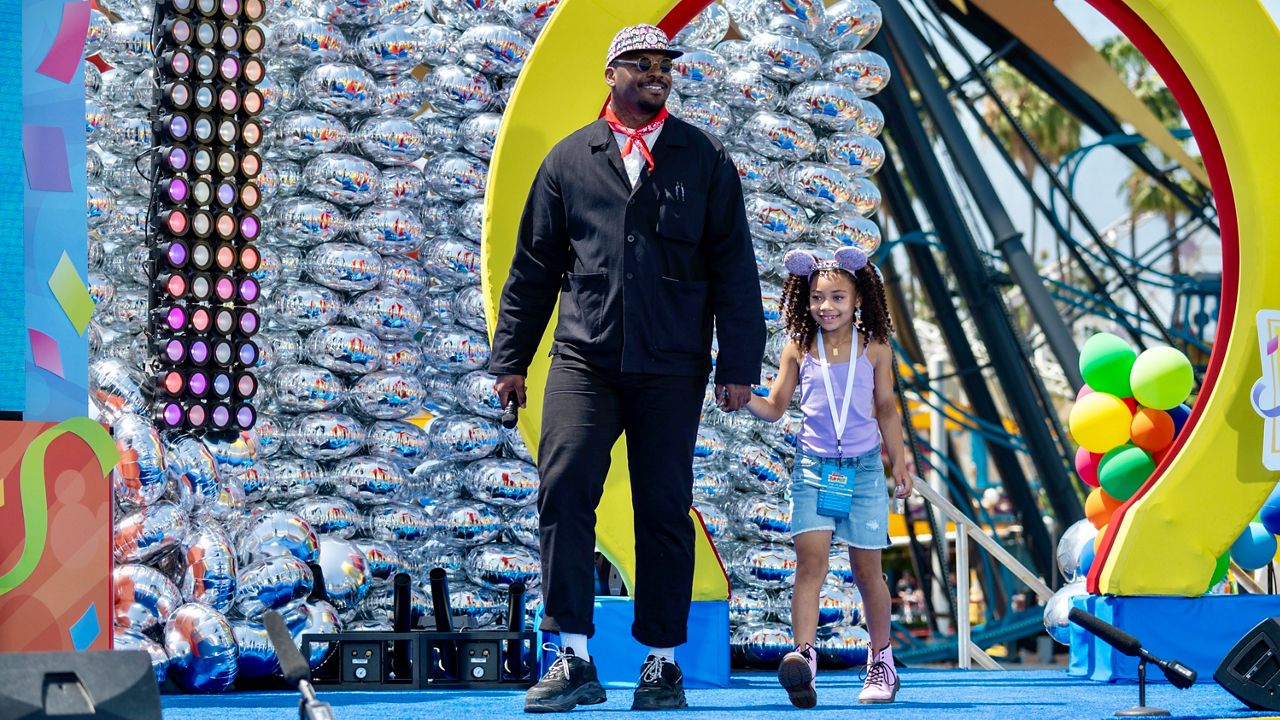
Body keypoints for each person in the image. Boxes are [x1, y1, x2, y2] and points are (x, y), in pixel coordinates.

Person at [488, 23, 766, 714]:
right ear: (610, 73)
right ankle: (573, 656)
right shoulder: (567, 162)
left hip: (672, 366)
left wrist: (739, 363)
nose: (657, 74)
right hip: (585, 358)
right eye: (641, 64)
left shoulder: (701, 158)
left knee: (663, 508)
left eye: (664, 66)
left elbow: (734, 268)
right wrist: (511, 361)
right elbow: (532, 270)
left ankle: (662, 664)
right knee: (564, 488)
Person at [745, 247, 912, 708]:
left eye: (838, 297)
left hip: (862, 472)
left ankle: (881, 661)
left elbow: (885, 409)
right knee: (811, 565)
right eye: (818, 298)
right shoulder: (799, 346)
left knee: (867, 572)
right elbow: (776, 406)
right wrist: (742, 398)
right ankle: (803, 658)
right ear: (806, 299)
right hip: (814, 469)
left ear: (858, 298)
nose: (827, 307)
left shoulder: (875, 347)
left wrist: (899, 462)